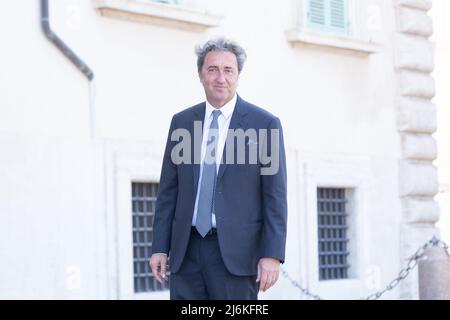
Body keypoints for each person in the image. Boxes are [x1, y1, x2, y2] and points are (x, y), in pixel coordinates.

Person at [150, 37, 287, 300]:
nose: (220, 78)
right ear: (200, 75)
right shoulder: (182, 123)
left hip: (236, 256)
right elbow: (168, 191)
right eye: (212, 70)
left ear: (238, 76)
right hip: (185, 253)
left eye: (228, 71)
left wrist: (272, 254)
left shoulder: (264, 125)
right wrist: (159, 247)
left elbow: (275, 196)